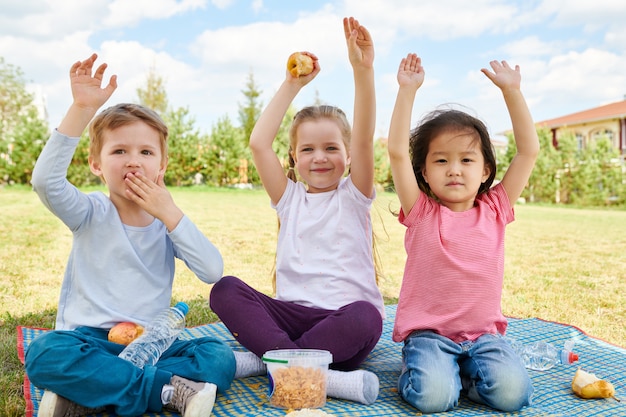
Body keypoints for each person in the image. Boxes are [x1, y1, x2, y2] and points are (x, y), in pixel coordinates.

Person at [25, 53, 235, 417]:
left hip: (152, 343)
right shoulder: (89, 211)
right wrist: (81, 107)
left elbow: (213, 272)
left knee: (217, 357)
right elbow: (45, 182)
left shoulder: (168, 223)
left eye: (146, 152)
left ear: (162, 165)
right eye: (119, 151)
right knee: (44, 353)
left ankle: (90, 391)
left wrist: (169, 212)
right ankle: (167, 391)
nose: (133, 161)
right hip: (88, 342)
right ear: (96, 164)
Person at [209, 17, 384, 405]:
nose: (319, 158)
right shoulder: (289, 198)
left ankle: (268, 360)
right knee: (225, 289)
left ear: (349, 154)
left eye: (331, 148)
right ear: (293, 156)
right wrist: (291, 85)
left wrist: (362, 69)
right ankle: (299, 369)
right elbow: (258, 143)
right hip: (288, 317)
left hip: (342, 327)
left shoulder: (354, 193)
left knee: (366, 315)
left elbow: (367, 136)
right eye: (307, 149)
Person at [387, 53, 539, 413]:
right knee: (434, 399)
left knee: (513, 396)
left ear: (486, 170)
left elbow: (529, 151)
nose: (454, 170)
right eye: (441, 160)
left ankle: (463, 377)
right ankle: (430, 374)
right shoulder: (421, 212)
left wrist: (512, 93)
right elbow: (396, 152)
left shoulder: (496, 208)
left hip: (484, 338)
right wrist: (407, 91)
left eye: (466, 160)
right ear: (423, 171)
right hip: (430, 338)